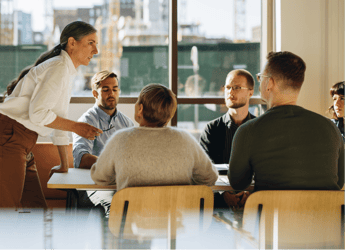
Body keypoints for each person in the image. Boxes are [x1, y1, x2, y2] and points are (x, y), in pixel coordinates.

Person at [0, 21, 103, 209]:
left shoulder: (65, 70)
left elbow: (58, 119)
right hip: (9, 139)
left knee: (38, 215)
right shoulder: (59, 67)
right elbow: (38, 114)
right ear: (72, 43)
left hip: (21, 143)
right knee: (6, 218)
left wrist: (65, 165)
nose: (96, 50)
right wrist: (77, 127)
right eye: (91, 43)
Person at [228, 51, 345, 192]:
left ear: (270, 83)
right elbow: (339, 182)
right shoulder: (331, 128)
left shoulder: (248, 130)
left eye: (261, 77)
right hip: (326, 213)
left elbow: (238, 183)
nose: (260, 80)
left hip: (273, 213)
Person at [91, 83, 218, 193]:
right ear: (170, 113)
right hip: (176, 219)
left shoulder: (121, 139)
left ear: (140, 109)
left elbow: (100, 177)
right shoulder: (185, 139)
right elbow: (209, 177)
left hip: (133, 219)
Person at [72, 70, 134, 210]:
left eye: (115, 89)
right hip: (95, 185)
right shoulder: (86, 121)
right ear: (95, 93)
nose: (111, 94)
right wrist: (113, 166)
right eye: (105, 90)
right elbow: (81, 159)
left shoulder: (127, 123)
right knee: (115, 205)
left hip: (123, 183)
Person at [200, 69, 255, 209]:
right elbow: (203, 173)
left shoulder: (260, 128)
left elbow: (266, 172)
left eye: (236, 87)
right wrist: (223, 195)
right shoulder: (211, 129)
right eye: (228, 87)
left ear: (250, 91)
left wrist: (250, 194)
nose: (230, 92)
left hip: (254, 203)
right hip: (217, 205)